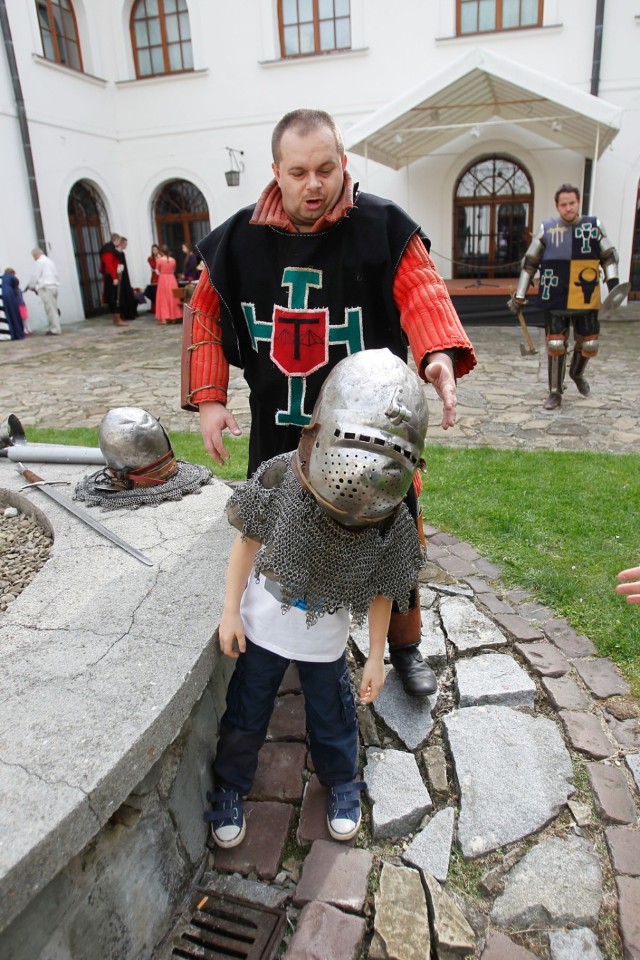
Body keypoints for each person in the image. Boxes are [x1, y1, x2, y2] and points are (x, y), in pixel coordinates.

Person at [181, 107, 476, 698]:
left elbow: (421, 289)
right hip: (280, 428)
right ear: (276, 172)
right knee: (276, 530)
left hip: (370, 436)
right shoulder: (238, 240)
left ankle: (405, 645)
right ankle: (281, 640)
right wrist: (210, 398)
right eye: (298, 172)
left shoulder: (384, 228)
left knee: (393, 539)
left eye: (325, 168)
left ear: (343, 163)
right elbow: (205, 312)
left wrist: (436, 353)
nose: (313, 184)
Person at [205, 349, 428, 848]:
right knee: (245, 714)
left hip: (325, 643)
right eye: (355, 440)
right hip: (262, 630)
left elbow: (382, 588)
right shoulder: (284, 475)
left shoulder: (386, 511)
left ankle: (342, 781)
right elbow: (246, 543)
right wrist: (229, 613)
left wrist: (375, 657)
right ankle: (231, 786)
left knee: (334, 719)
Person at [511, 183, 620, 410]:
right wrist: (520, 294)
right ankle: (555, 392)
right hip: (555, 295)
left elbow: (608, 256)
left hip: (585, 294)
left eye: (571, 203)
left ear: (578, 202)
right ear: (557, 206)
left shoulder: (592, 226)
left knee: (589, 343)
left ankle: (576, 373)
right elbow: (530, 261)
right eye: (563, 204)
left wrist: (614, 284)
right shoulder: (548, 229)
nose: (568, 208)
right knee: (556, 344)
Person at [24, 247, 61, 335]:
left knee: (50, 310)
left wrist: (30, 286)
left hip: (46, 287)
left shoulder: (40, 261)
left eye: (34, 256)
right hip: (54, 286)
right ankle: (55, 327)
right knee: (53, 309)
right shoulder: (49, 261)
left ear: (36, 254)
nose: (34, 258)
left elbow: (35, 276)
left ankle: (55, 329)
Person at [99, 233, 127, 327]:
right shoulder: (108, 250)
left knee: (115, 297)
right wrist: (114, 278)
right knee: (115, 298)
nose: (120, 243)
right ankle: (117, 318)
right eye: (119, 241)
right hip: (111, 276)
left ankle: (116, 318)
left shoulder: (112, 249)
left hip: (115, 274)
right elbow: (109, 265)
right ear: (116, 239)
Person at [154, 244, 183, 325]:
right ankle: (175, 317)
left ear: (161, 252)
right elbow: (173, 270)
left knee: (163, 298)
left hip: (163, 279)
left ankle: (165, 318)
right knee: (174, 297)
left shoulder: (159, 260)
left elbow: (157, 271)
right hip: (172, 278)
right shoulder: (173, 260)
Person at [115, 237, 138, 320]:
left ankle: (129, 313)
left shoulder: (122, 253)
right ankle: (122, 314)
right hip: (119, 274)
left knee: (127, 292)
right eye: (125, 244)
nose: (126, 246)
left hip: (124, 274)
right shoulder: (116, 253)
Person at [1, 267, 25, 340]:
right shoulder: (11, 278)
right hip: (9, 295)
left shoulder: (2, 278)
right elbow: (16, 287)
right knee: (13, 314)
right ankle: (16, 333)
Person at [144, 243, 160, 314]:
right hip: (154, 276)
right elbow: (154, 266)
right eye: (153, 250)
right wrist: (158, 260)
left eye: (156, 249)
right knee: (154, 292)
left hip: (160, 275)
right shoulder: (150, 258)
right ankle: (154, 308)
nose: (155, 251)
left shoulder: (161, 257)